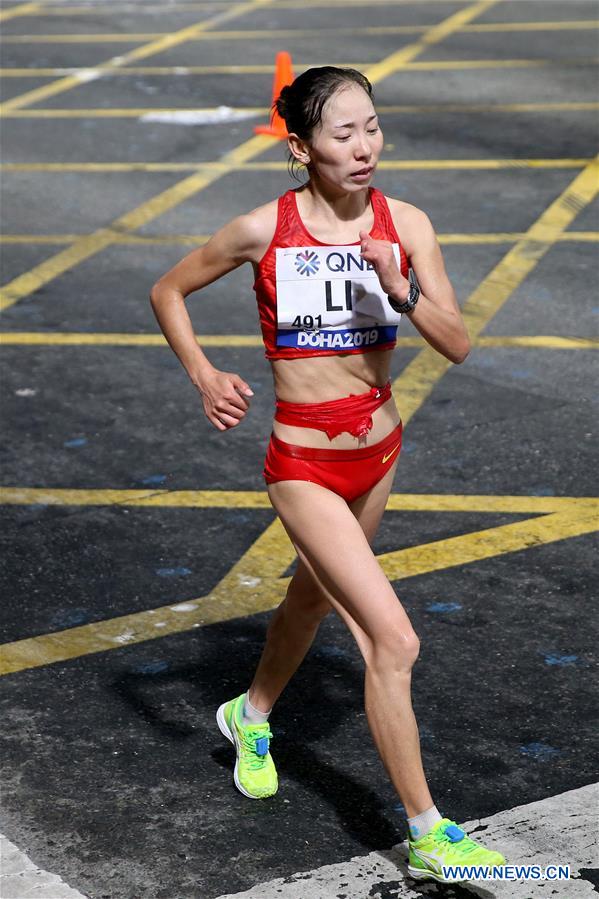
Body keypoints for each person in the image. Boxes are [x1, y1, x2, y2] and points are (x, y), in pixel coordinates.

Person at [150, 66, 506, 883]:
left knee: (310, 598)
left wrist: (400, 287)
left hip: (378, 452)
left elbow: (456, 342)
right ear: (300, 146)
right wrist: (205, 374)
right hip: (302, 462)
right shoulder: (260, 230)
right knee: (392, 637)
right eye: (343, 134)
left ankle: (253, 712)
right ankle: (427, 832)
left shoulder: (405, 223)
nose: (363, 147)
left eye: (372, 127)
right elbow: (168, 289)